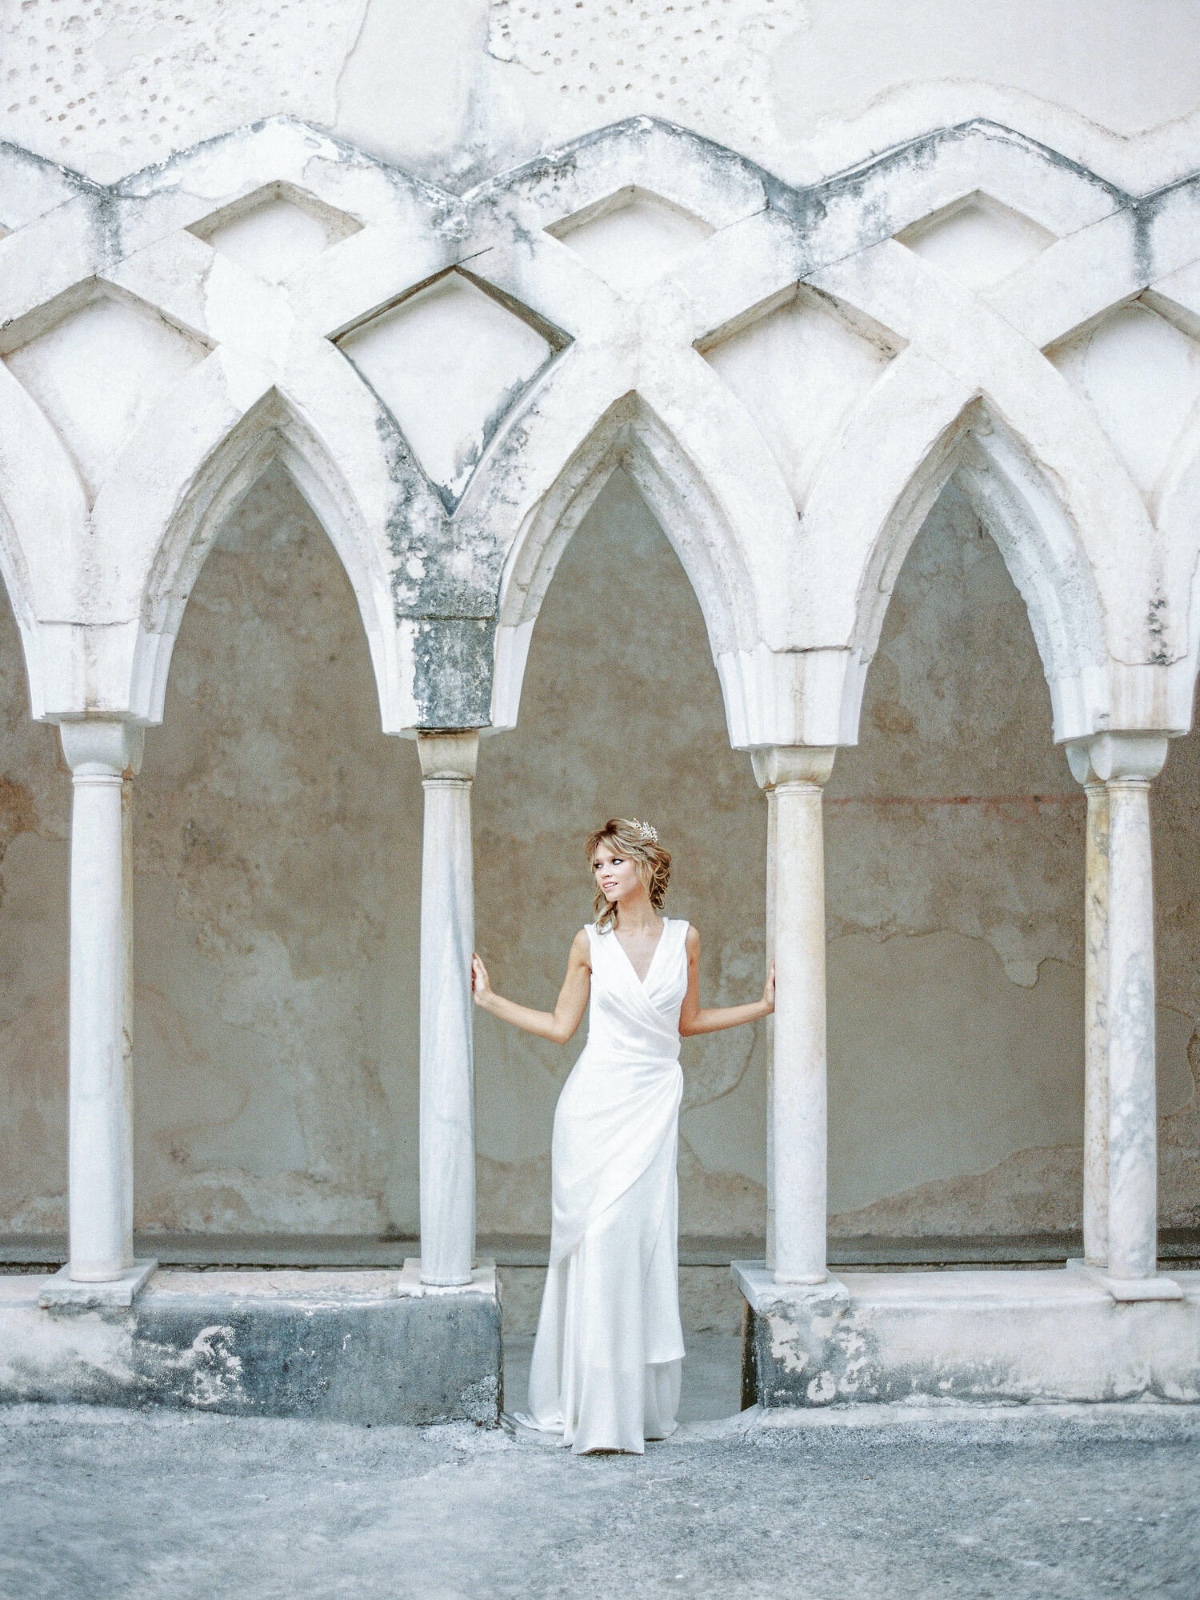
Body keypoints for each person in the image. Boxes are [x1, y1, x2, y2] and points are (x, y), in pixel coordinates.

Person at [471, 817, 774, 1455]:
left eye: (613, 862)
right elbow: (560, 1027)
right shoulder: (588, 943)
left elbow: (687, 1022)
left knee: (636, 1244)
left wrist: (762, 1007)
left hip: (652, 1104)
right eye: (597, 867)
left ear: (644, 865)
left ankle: (631, 1411)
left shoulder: (685, 938)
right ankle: (594, 1414)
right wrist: (490, 999)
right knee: (599, 1243)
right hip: (592, 1110)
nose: (604, 874)